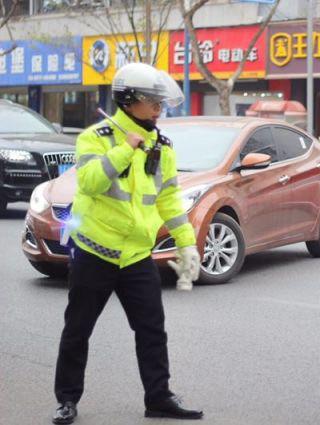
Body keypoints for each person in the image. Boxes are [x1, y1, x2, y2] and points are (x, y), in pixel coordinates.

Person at [52, 62, 203, 424]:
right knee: (78, 330)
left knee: (152, 330)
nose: (159, 108)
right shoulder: (95, 137)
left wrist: (187, 243)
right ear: (129, 100)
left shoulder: (162, 147)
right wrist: (124, 149)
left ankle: (159, 398)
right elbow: (89, 182)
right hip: (95, 251)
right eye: (153, 100)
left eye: (160, 101)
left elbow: (168, 200)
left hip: (136, 256)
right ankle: (67, 400)